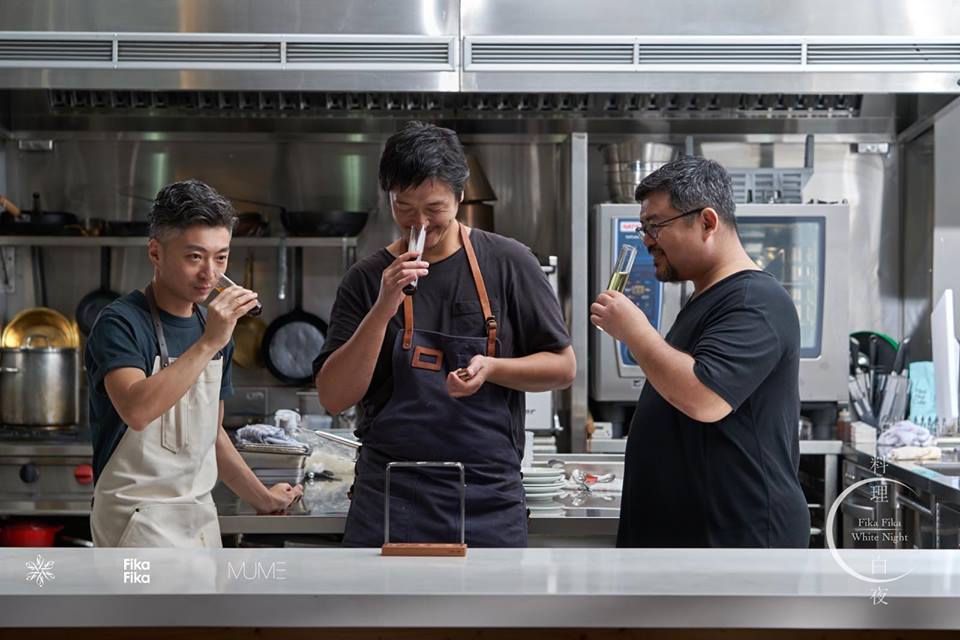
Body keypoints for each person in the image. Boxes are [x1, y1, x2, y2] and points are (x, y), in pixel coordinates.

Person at [315, 122, 576, 547]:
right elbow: (333, 397)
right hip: (389, 496)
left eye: (434, 208)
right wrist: (382, 308)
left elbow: (563, 368)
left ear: (460, 195)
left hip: (488, 497)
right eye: (404, 207)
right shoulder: (366, 278)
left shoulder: (510, 263)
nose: (419, 223)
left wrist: (492, 368)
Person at [590, 156, 810, 548]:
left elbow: (705, 398)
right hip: (696, 538)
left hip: (737, 542)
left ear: (707, 222)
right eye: (644, 227)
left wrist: (635, 332)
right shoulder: (707, 298)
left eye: (656, 225)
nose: (647, 240)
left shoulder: (755, 300)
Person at [86, 179, 302, 547]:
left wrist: (263, 498)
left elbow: (212, 436)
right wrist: (210, 342)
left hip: (200, 524)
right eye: (194, 257)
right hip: (135, 525)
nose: (210, 274)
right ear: (156, 253)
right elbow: (137, 410)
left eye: (221, 257)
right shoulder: (120, 323)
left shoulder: (213, 328)